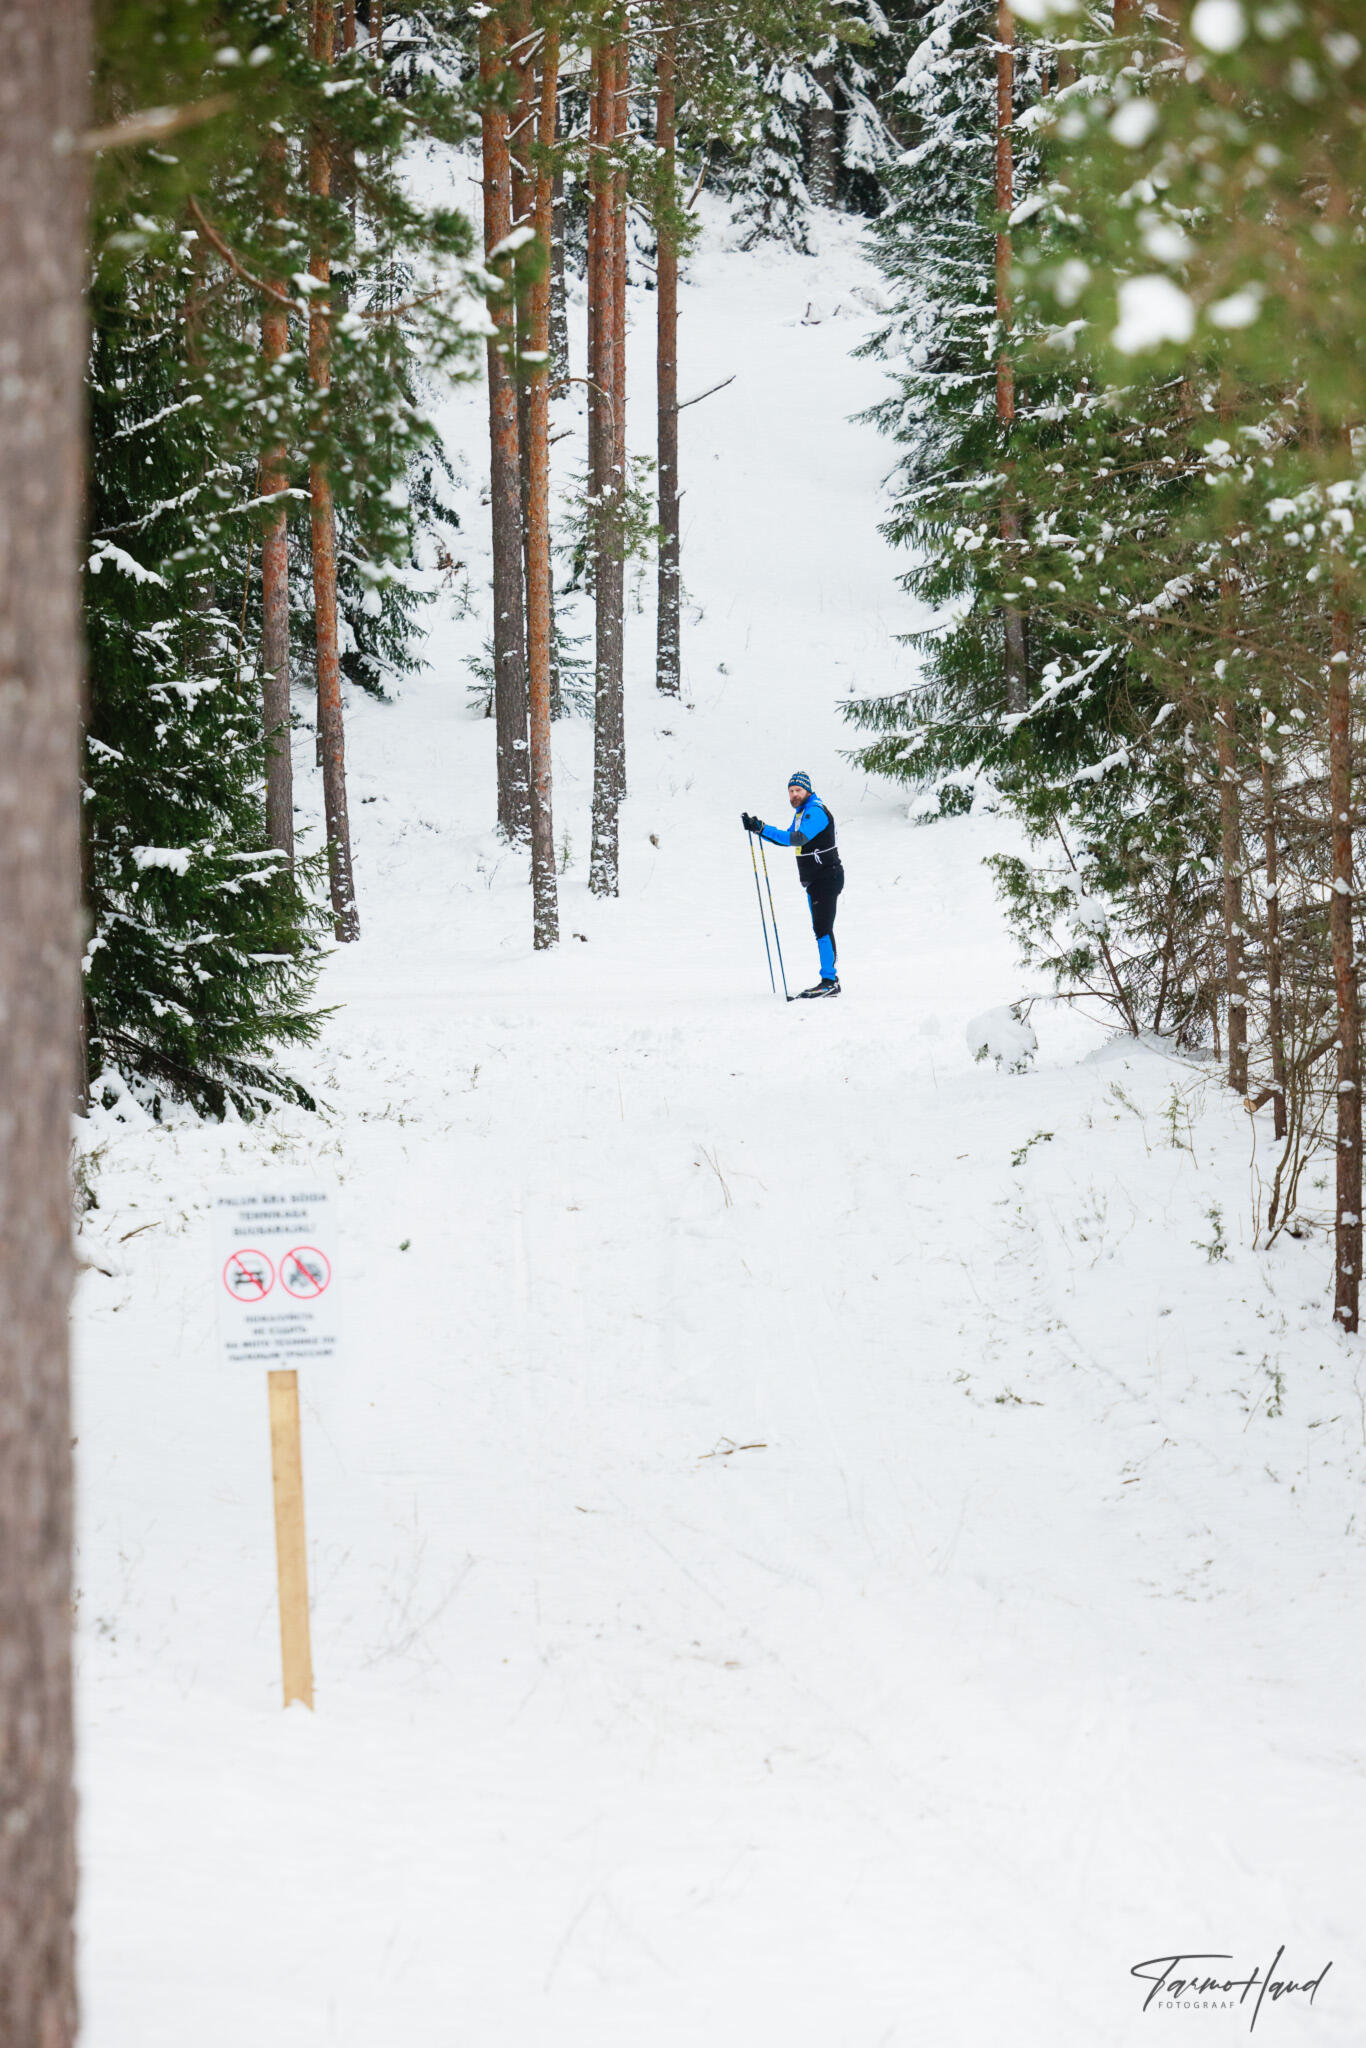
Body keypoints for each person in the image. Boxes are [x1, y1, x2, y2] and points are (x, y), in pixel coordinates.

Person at [742, 772, 844, 998]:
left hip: (827, 877)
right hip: (816, 879)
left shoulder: (816, 811)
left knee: (823, 929)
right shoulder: (802, 812)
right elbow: (788, 837)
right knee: (821, 929)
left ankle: (830, 981)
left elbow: (798, 839)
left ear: (808, 791)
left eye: (798, 790)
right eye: (791, 791)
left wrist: (763, 829)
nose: (795, 794)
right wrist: (758, 829)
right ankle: (829, 980)